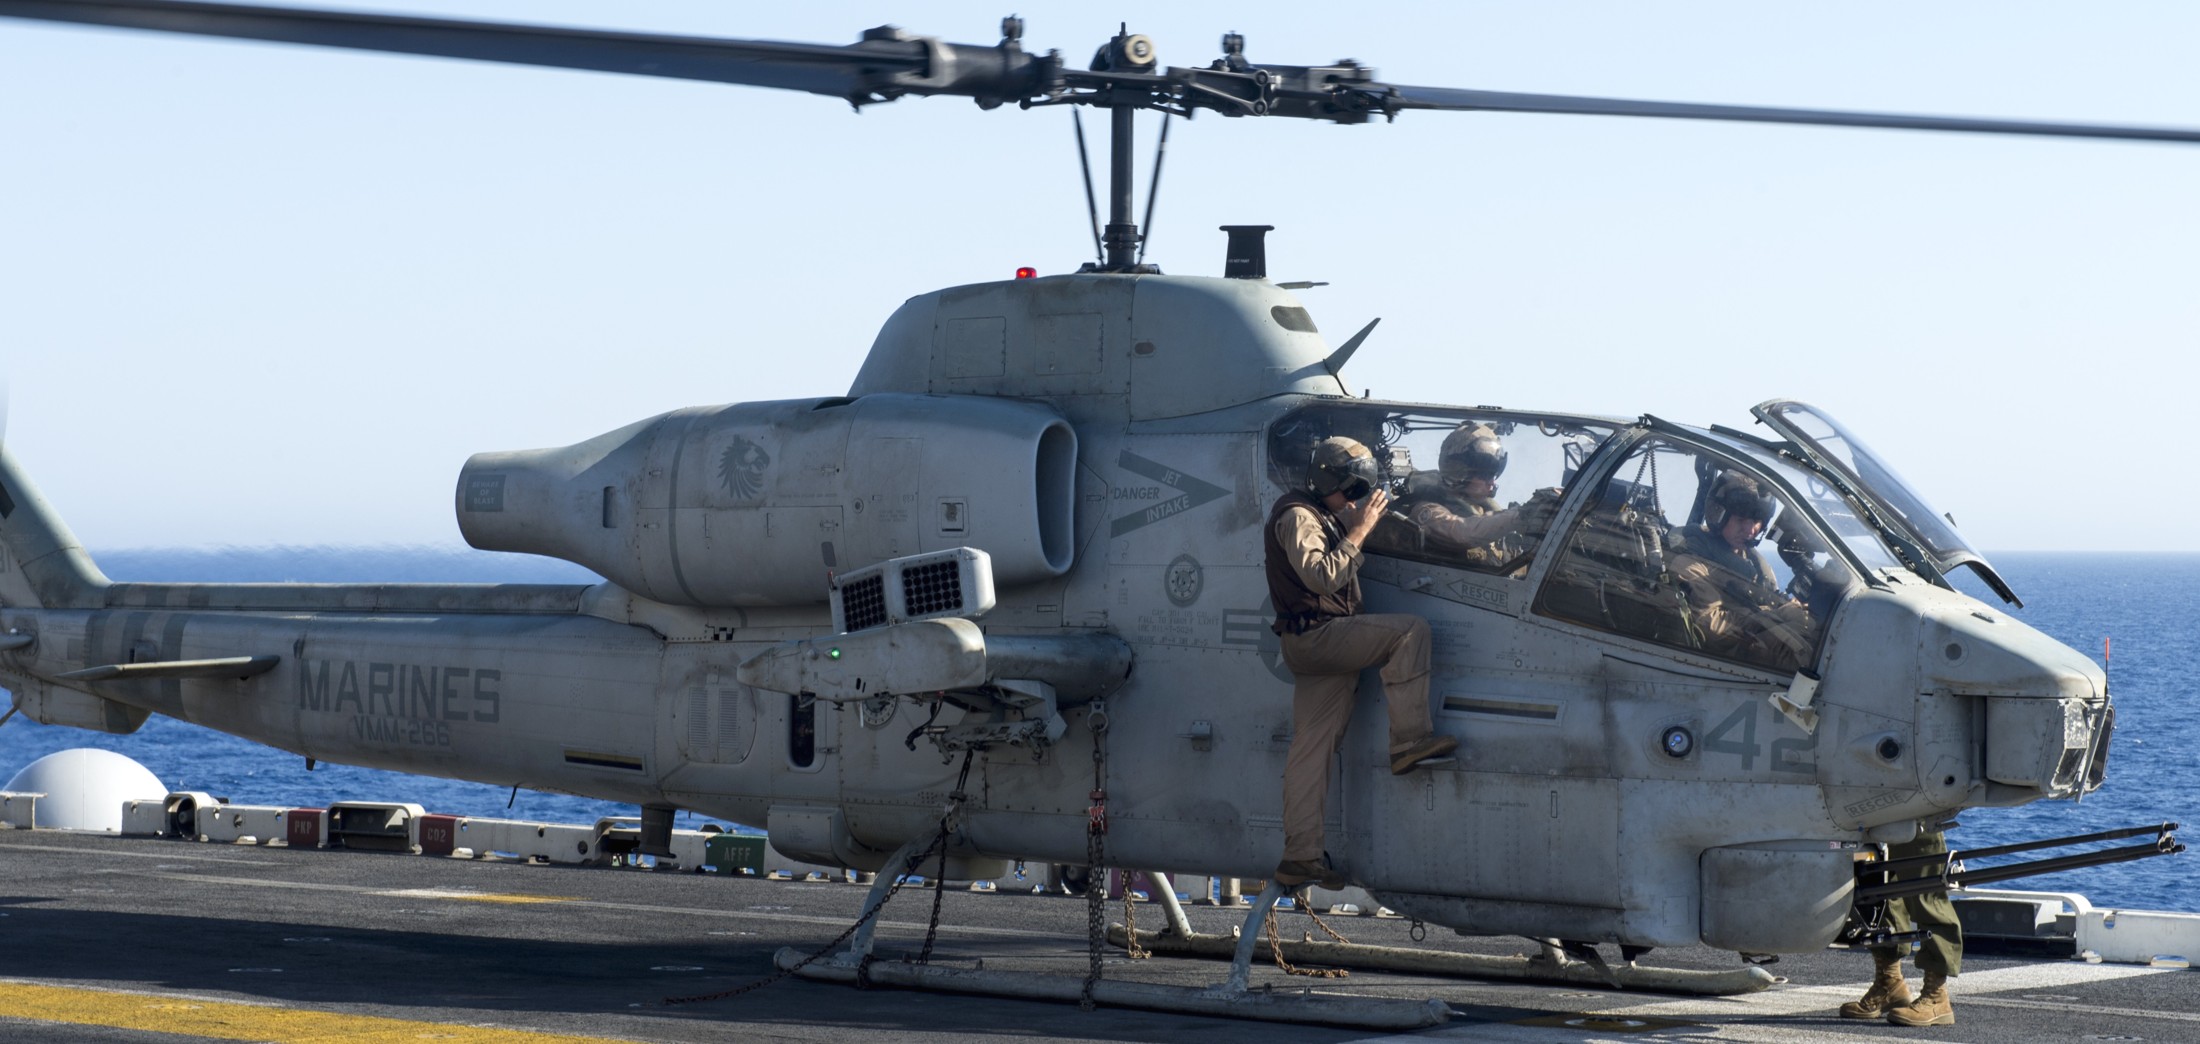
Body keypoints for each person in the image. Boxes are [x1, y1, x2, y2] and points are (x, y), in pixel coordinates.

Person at [1264, 436, 1459, 889]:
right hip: (1318, 636)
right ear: (1325, 481)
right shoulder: (1297, 516)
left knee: (1311, 752)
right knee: (1411, 631)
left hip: (1314, 641)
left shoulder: (1320, 513)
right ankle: (1409, 741)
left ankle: (1301, 856)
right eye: (1350, 491)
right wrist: (1359, 530)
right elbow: (1321, 574)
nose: (1354, 500)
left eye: (1360, 493)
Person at [1666, 473, 1816, 670]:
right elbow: (1709, 625)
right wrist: (1767, 619)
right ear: (1718, 513)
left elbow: (1769, 599)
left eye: (1756, 520)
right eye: (1741, 519)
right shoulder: (1691, 561)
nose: (1750, 529)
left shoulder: (1753, 563)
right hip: (1729, 658)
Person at [1391, 422, 1554, 570]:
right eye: (1484, 475)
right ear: (1460, 473)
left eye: (1494, 474)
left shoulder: (1484, 510)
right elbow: (1462, 532)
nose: (1491, 482)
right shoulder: (1426, 510)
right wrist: (1523, 514)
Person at [1842, 829, 1963, 1026]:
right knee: (1879, 887)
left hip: (1916, 807)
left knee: (1925, 892)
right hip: (1875, 806)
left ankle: (1936, 997)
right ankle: (1889, 983)